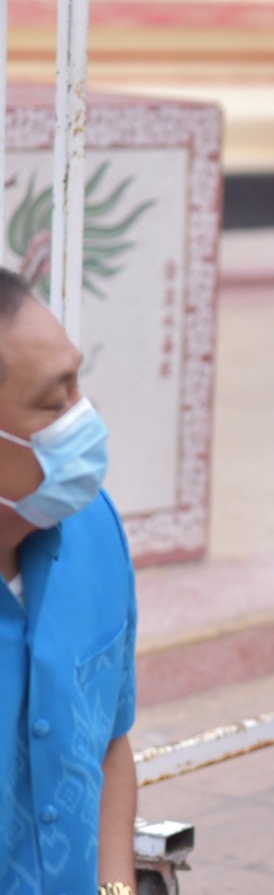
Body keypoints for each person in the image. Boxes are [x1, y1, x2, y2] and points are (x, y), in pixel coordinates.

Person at [0, 269, 138, 895]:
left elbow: (110, 746)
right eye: (55, 405)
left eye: (78, 388)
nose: (84, 421)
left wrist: (117, 890)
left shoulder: (94, 527)